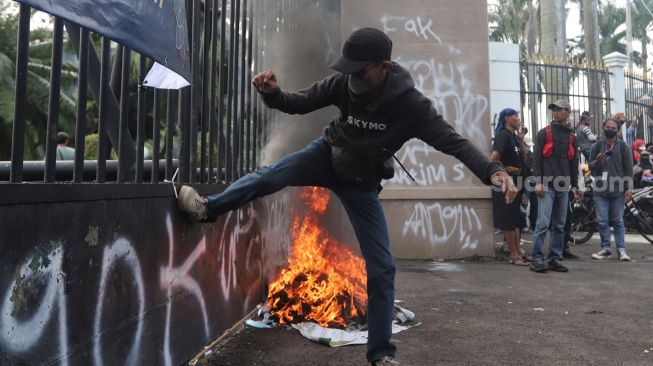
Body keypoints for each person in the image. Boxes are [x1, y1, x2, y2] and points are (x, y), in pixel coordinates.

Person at [175, 27, 517, 366]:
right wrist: (273, 94)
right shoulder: (343, 84)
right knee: (269, 176)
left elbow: (454, 142)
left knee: (382, 268)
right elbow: (299, 103)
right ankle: (207, 209)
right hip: (326, 155)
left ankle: (381, 353)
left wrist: (493, 171)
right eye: (348, 67)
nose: (350, 76)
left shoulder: (411, 106)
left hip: (361, 182)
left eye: (359, 68)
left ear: (383, 65)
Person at [529, 99, 579, 273]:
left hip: (564, 186)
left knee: (559, 224)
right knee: (543, 223)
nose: (555, 112)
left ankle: (554, 258)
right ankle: (536, 258)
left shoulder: (572, 136)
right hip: (547, 185)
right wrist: (538, 182)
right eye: (554, 110)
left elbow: (574, 163)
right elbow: (537, 160)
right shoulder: (544, 133)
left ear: (568, 112)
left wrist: (574, 185)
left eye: (559, 109)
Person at [588, 118, 634, 261]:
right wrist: (598, 161)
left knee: (618, 221)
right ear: (603, 128)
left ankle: (621, 250)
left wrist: (629, 188)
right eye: (607, 127)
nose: (610, 129)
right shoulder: (596, 146)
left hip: (618, 190)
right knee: (602, 221)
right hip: (600, 191)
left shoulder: (623, 147)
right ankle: (605, 248)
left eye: (613, 128)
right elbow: (590, 166)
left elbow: (628, 169)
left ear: (618, 130)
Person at [491, 108, 529, 266]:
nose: (518, 119)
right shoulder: (502, 135)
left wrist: (521, 139)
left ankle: (519, 252)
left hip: (517, 180)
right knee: (508, 219)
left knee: (516, 219)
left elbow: (523, 157)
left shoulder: (513, 137)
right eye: (515, 116)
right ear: (507, 118)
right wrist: (501, 177)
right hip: (507, 181)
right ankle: (513, 255)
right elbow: (493, 158)